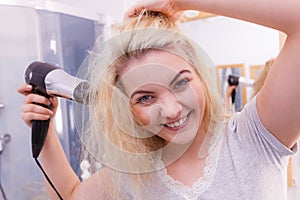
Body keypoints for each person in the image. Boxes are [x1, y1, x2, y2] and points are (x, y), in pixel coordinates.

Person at [17, 0, 300, 199]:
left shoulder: (255, 137)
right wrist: (45, 130)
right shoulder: (133, 176)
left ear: (200, 75)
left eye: (181, 83)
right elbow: (69, 195)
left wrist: (181, 1)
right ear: (127, 107)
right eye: (145, 98)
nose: (172, 109)